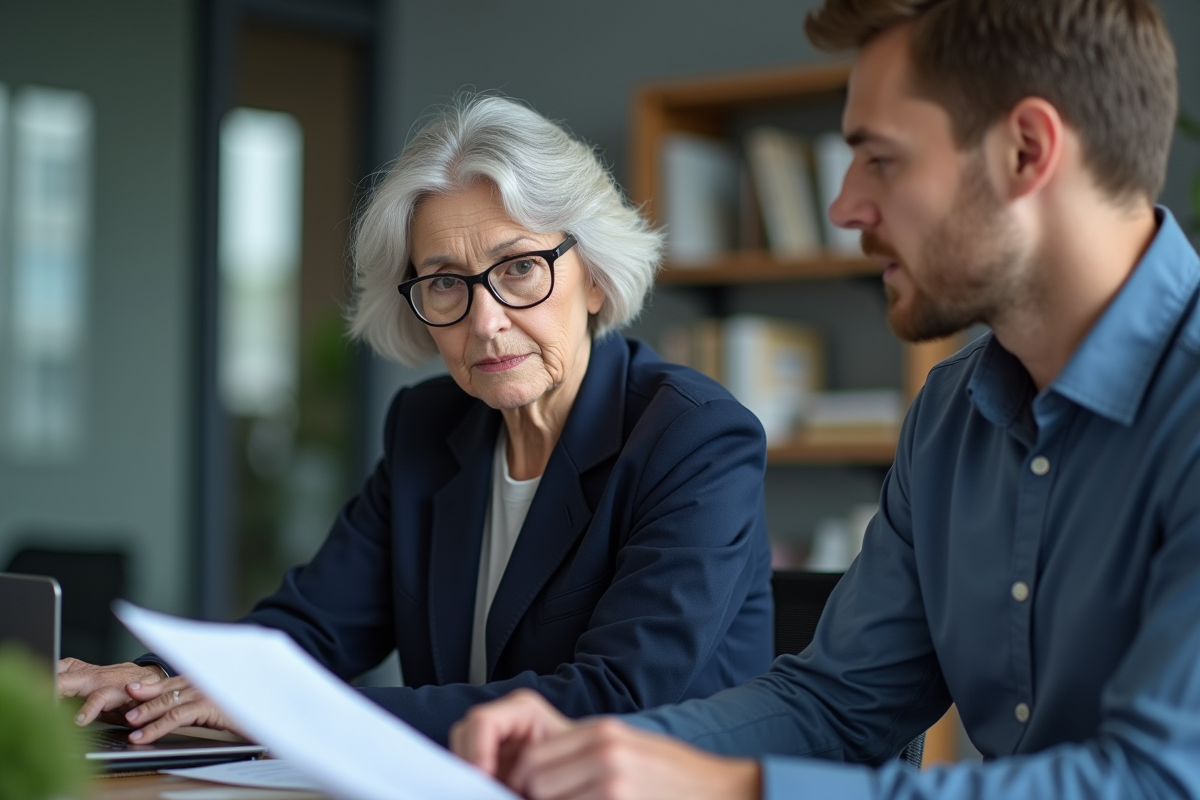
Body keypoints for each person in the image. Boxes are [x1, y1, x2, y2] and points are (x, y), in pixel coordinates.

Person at [449, 1, 1200, 798]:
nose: (844, 208)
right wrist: (597, 748)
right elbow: (838, 702)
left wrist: (735, 787)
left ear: (1026, 151)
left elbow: (1154, 782)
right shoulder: (950, 413)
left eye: (881, 160)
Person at [58, 95, 775, 747]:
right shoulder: (428, 426)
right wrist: (146, 684)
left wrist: (291, 710)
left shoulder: (695, 439)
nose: (486, 321)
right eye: (444, 283)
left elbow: (613, 700)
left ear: (592, 274)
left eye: (519, 267)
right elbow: (310, 627)